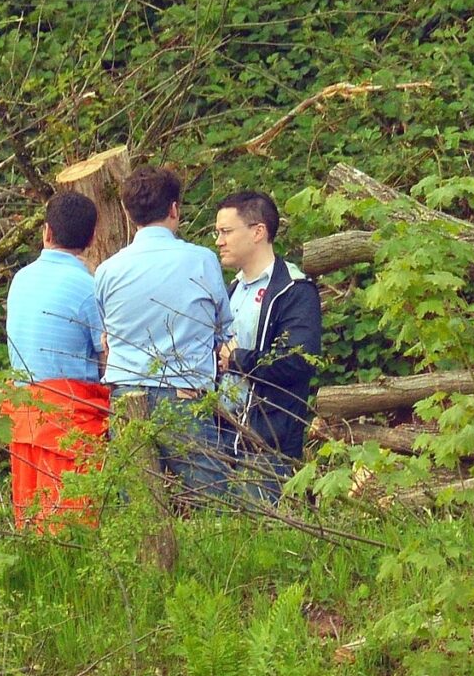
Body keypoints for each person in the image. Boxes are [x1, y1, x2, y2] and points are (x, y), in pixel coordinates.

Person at [94, 165, 231, 501]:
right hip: (184, 393)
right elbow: (225, 325)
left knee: (137, 507)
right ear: (174, 209)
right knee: (215, 501)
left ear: (128, 213)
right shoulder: (201, 260)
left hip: (126, 394)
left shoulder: (107, 270)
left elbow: (105, 337)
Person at [3, 190, 111, 527]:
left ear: (46, 232)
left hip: (24, 413)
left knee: (33, 520)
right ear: (93, 238)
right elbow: (108, 358)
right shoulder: (88, 287)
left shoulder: (20, 280)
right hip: (69, 418)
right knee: (72, 525)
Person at [213, 189, 324, 502]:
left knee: (264, 536)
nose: (219, 241)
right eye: (217, 232)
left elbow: (298, 361)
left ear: (258, 231)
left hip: (269, 444)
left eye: (226, 231)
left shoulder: (294, 289)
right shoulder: (232, 290)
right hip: (225, 439)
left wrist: (238, 360)